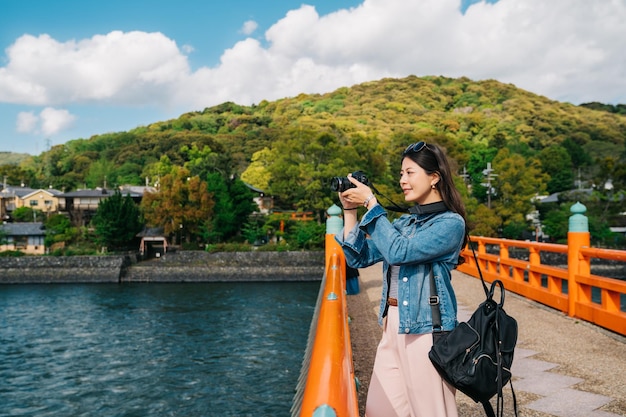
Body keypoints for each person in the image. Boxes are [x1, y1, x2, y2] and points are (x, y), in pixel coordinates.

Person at [335, 141, 467, 417]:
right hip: (392, 324)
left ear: (434, 177)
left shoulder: (450, 224)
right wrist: (350, 211)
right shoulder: (404, 223)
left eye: (409, 173)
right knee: (380, 410)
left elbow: (399, 252)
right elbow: (359, 257)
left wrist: (372, 203)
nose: (402, 180)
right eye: (401, 174)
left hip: (426, 331)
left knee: (431, 412)